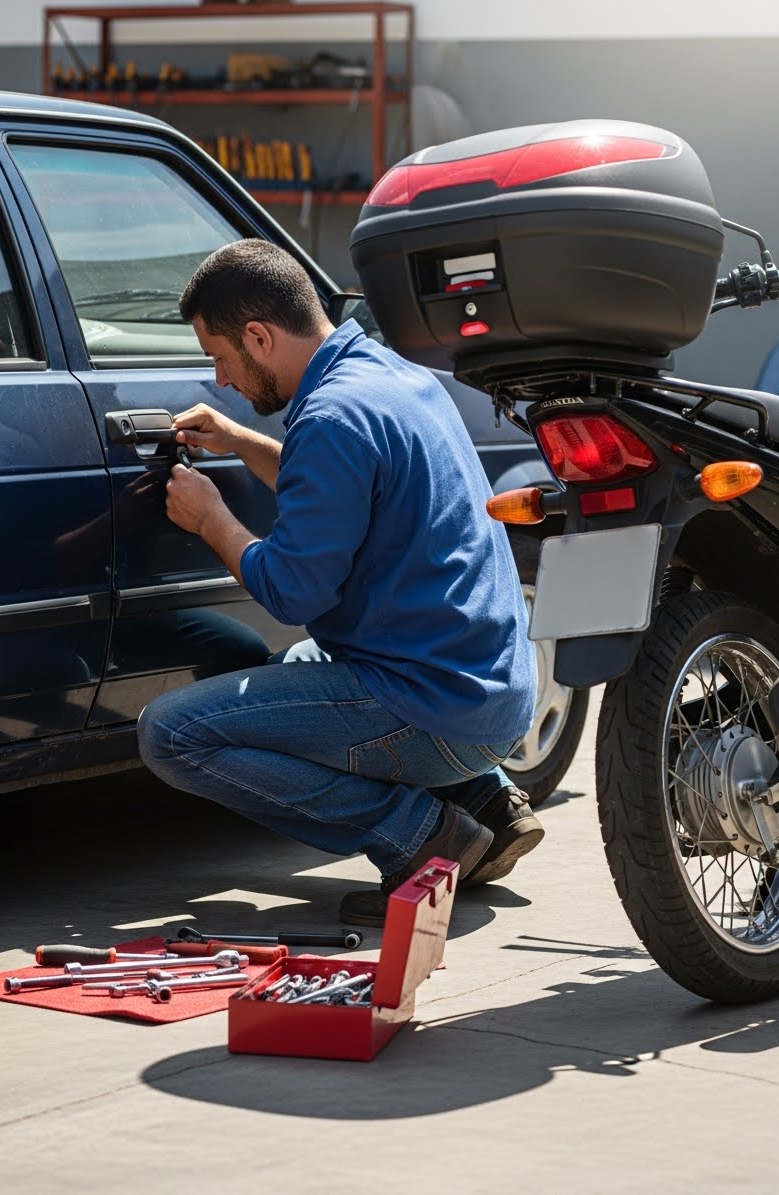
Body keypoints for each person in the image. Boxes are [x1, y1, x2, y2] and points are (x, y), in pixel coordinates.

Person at [136, 239, 543, 926]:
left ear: (259, 337)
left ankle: (418, 837)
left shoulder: (330, 418)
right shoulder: (389, 377)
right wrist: (241, 440)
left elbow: (291, 592)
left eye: (221, 357)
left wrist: (212, 521)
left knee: (171, 734)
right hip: (491, 694)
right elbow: (342, 484)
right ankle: (486, 804)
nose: (220, 379)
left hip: (436, 709)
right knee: (287, 669)